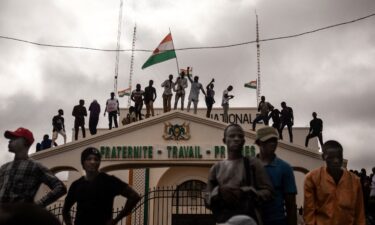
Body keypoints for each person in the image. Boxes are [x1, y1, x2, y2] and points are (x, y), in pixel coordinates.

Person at [205, 124, 274, 224]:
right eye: (232, 136)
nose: (237, 139)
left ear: (244, 141)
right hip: (224, 220)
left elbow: (269, 192)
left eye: (240, 136)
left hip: (248, 219)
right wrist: (219, 193)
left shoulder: (253, 164)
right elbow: (207, 199)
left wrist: (249, 192)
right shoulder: (216, 168)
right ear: (224, 140)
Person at [62, 147, 141, 225]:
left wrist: (116, 219)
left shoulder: (109, 181)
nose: (92, 162)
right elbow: (65, 209)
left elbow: (134, 196)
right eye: (89, 159)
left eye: (96, 159)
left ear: (99, 163)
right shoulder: (76, 185)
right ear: (83, 163)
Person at [0, 127, 67, 206]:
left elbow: (60, 188)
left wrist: (37, 206)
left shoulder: (34, 167)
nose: (10, 141)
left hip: (19, 216)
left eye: (15, 138)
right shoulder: (4, 167)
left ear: (25, 142)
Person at [304, 140, 366, 225]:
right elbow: (309, 214)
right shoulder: (312, 178)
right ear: (323, 157)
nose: (336, 161)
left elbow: (360, 216)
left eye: (339, 157)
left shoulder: (355, 181)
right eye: (331, 157)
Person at [256, 126, 297, 225]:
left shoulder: (285, 168)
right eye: (268, 140)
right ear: (259, 143)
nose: (273, 144)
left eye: (275, 140)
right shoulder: (248, 166)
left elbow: (291, 204)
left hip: (277, 221)